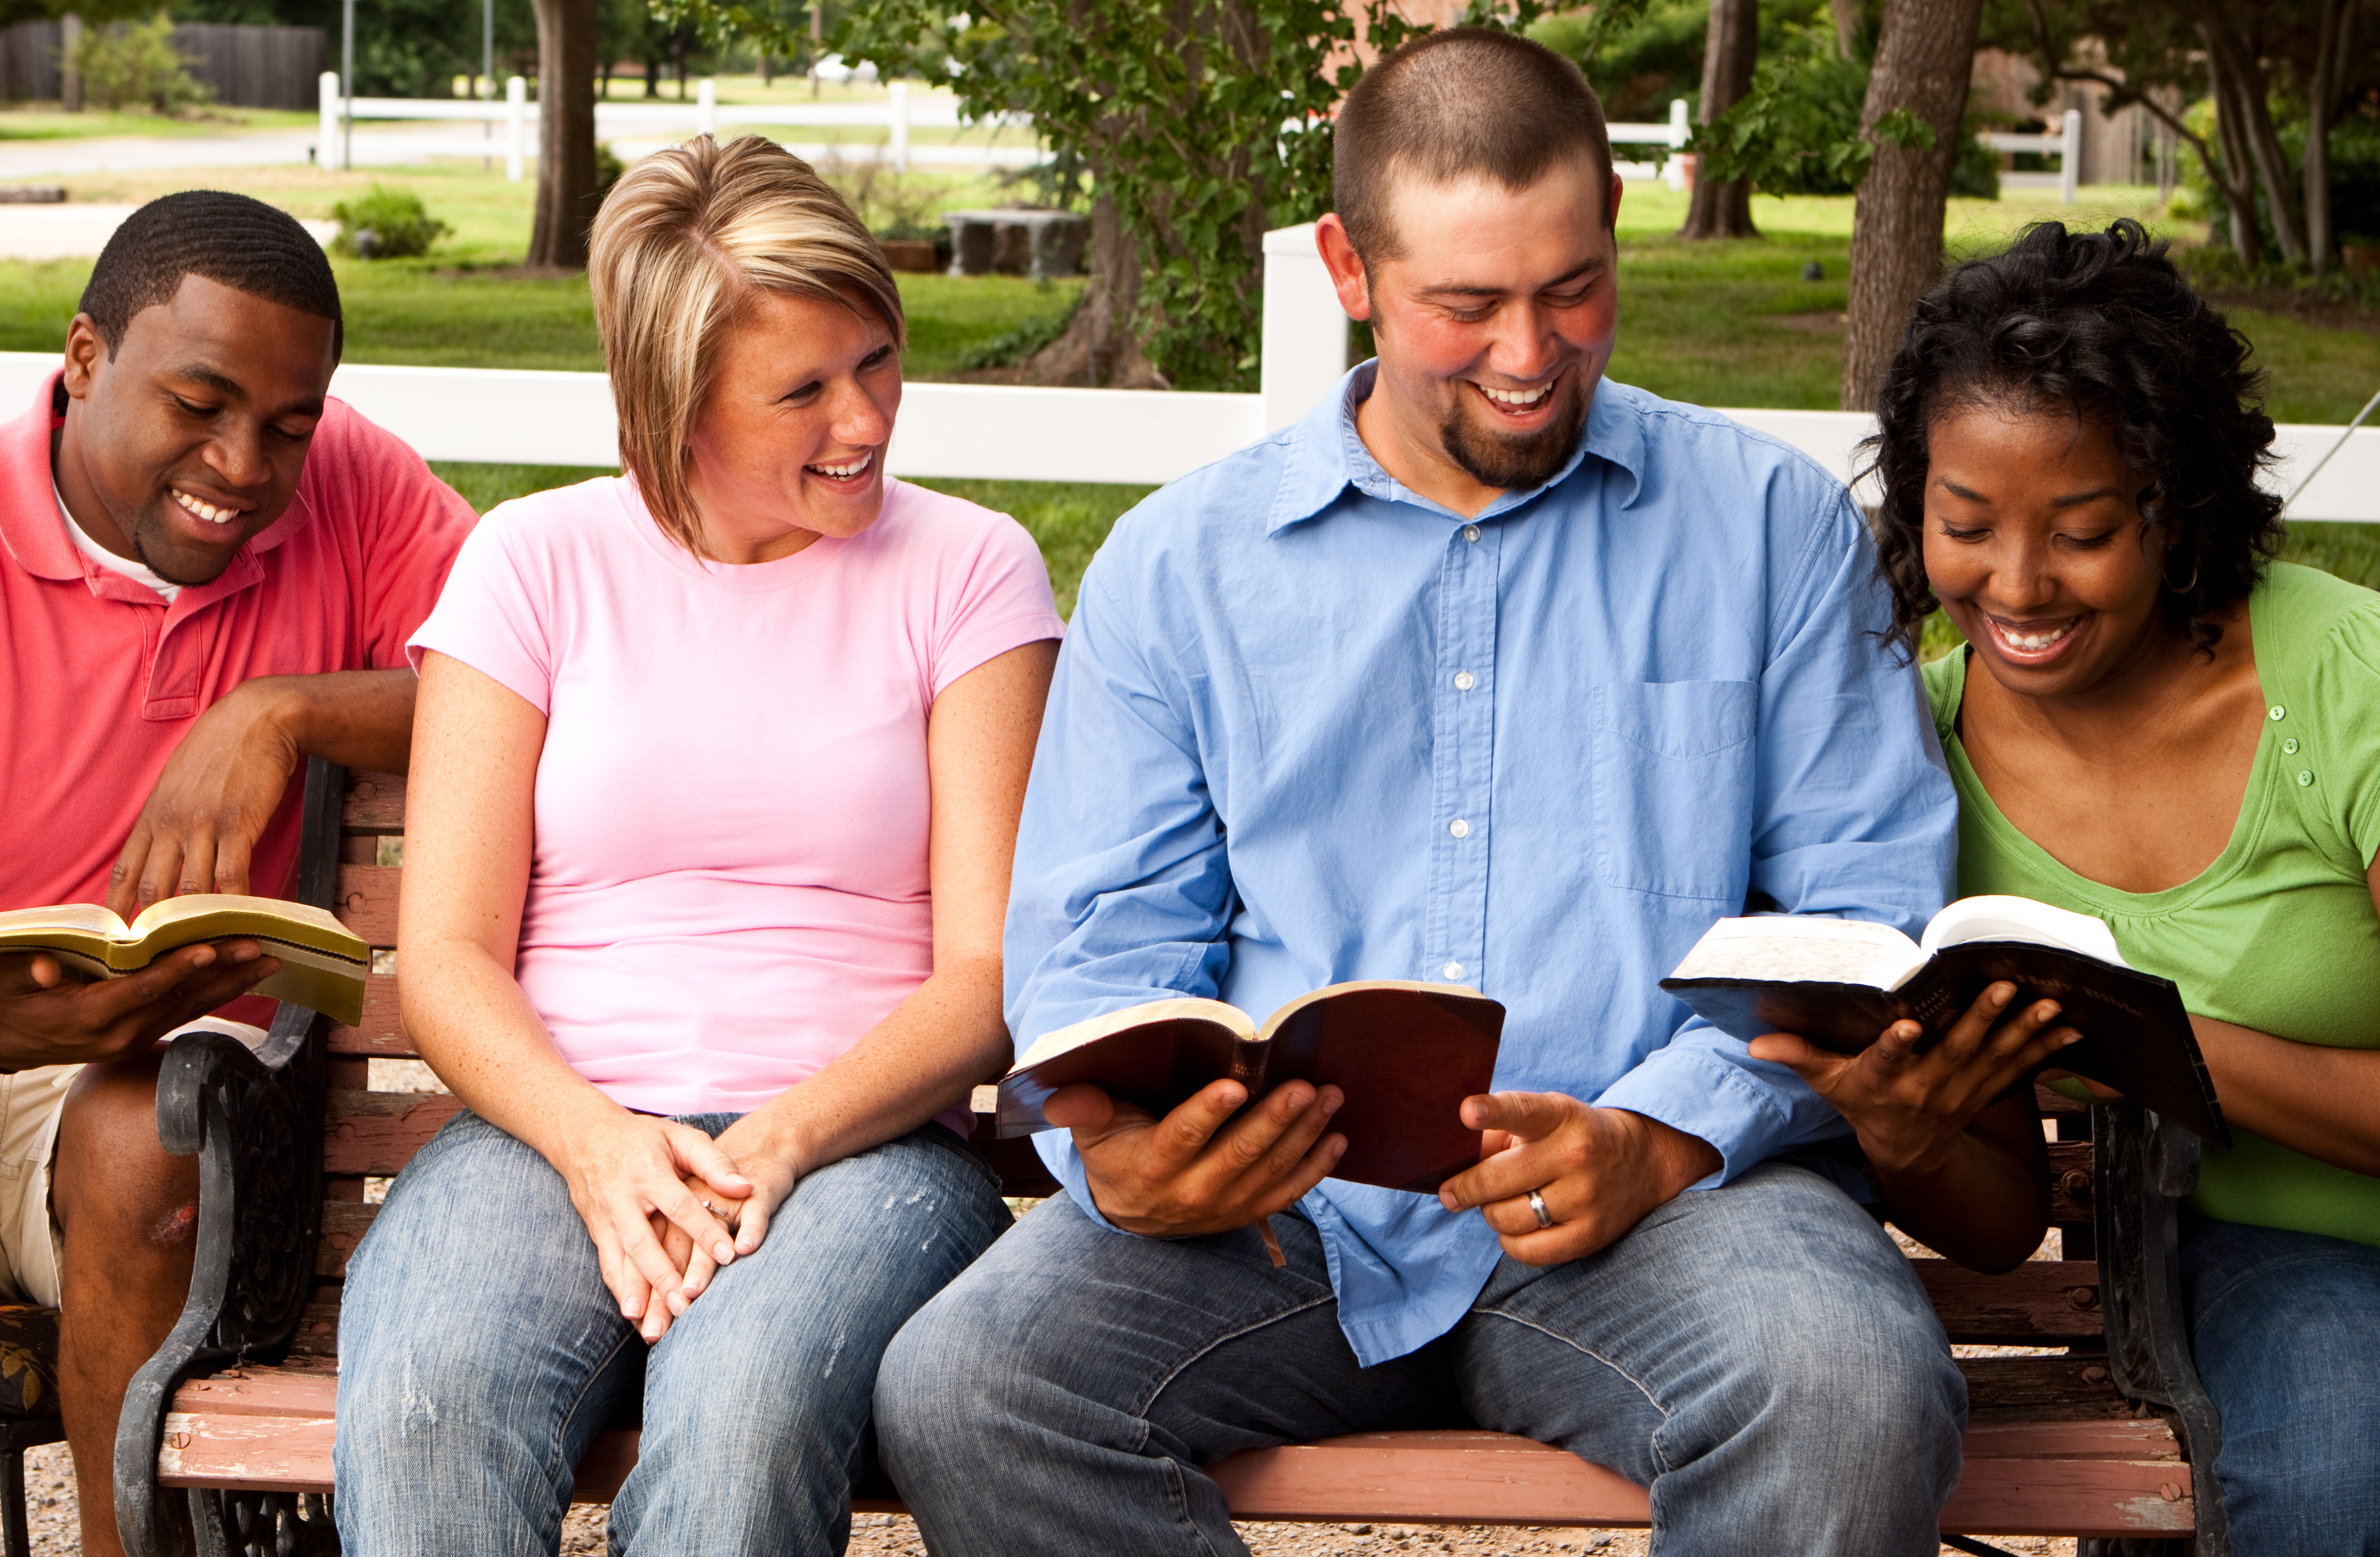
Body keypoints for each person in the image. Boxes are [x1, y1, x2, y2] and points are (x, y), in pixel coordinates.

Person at [875, 29, 2005, 1557]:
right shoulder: (1181, 565)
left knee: (1849, 1388)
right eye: (1465, 306)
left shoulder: (1769, 529)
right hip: (1279, 1225)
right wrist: (1123, 1154)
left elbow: (1863, 919)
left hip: (1669, 1206)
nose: (1530, 356)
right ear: (1350, 265)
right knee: (971, 1385)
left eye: (1573, 288)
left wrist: (1663, 1137)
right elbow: (1095, 946)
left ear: (1612, 220)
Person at [330, 137, 1064, 1557]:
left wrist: (777, 1143)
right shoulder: (533, 562)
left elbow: (988, 970)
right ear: (675, 406)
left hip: (863, 1148)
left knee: (742, 1424)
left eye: (877, 360)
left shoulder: (968, 570)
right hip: (549, 1136)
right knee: (430, 1413)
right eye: (802, 388)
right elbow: (452, 952)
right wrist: (605, 1150)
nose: (863, 418)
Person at [0, 190, 475, 1556]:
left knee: (149, 1111)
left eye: (287, 425)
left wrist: (278, 710)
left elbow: (525, 682)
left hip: (185, 1121)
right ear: (82, 360)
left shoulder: (354, 480)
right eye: (200, 403)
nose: (246, 463)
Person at [1817, 218, 2380, 1553]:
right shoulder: (1916, 760)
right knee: (2335, 1465)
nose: (2014, 587)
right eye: (1964, 524)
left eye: (2079, 533)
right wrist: (1909, 1138)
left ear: (2173, 510)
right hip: (2265, 1254)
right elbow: (2007, 1226)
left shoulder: (2341, 676)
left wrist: (2145, 1036)